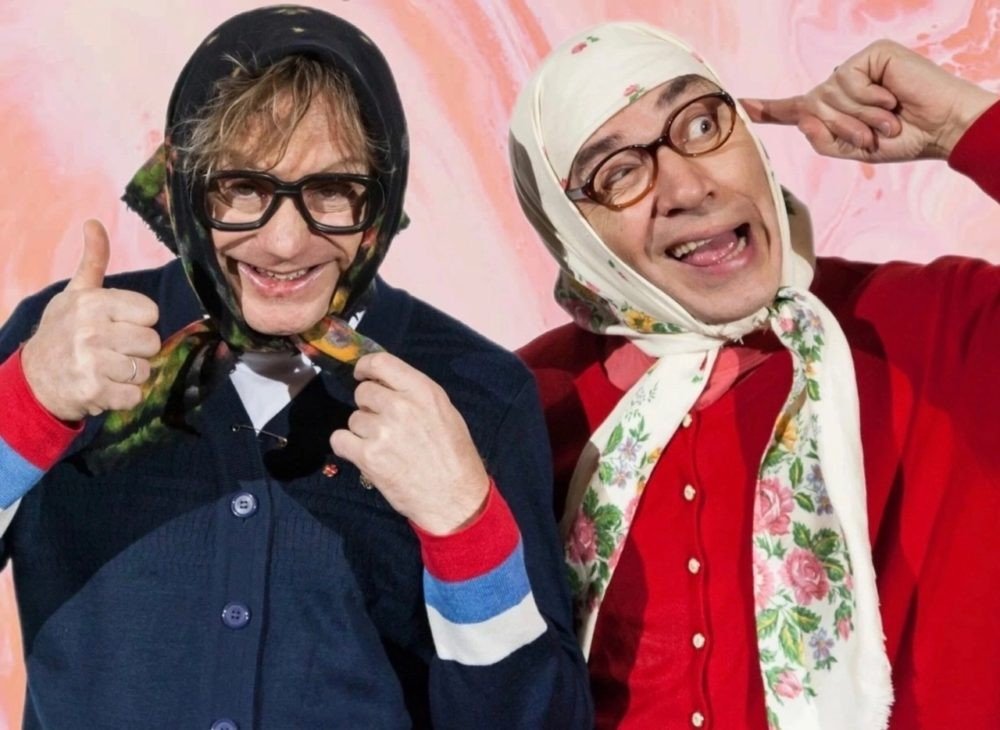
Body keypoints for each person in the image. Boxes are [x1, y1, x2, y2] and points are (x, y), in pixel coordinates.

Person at [0, 6, 591, 728]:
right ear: (182, 182)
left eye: (332, 190)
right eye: (242, 188)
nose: (285, 243)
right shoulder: (62, 341)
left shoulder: (478, 392)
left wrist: (465, 525)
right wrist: (27, 404)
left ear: (384, 198)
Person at [510, 21, 999, 730]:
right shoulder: (528, 403)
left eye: (702, 124)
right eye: (616, 173)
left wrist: (964, 125)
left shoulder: (940, 324)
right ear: (571, 234)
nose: (687, 187)